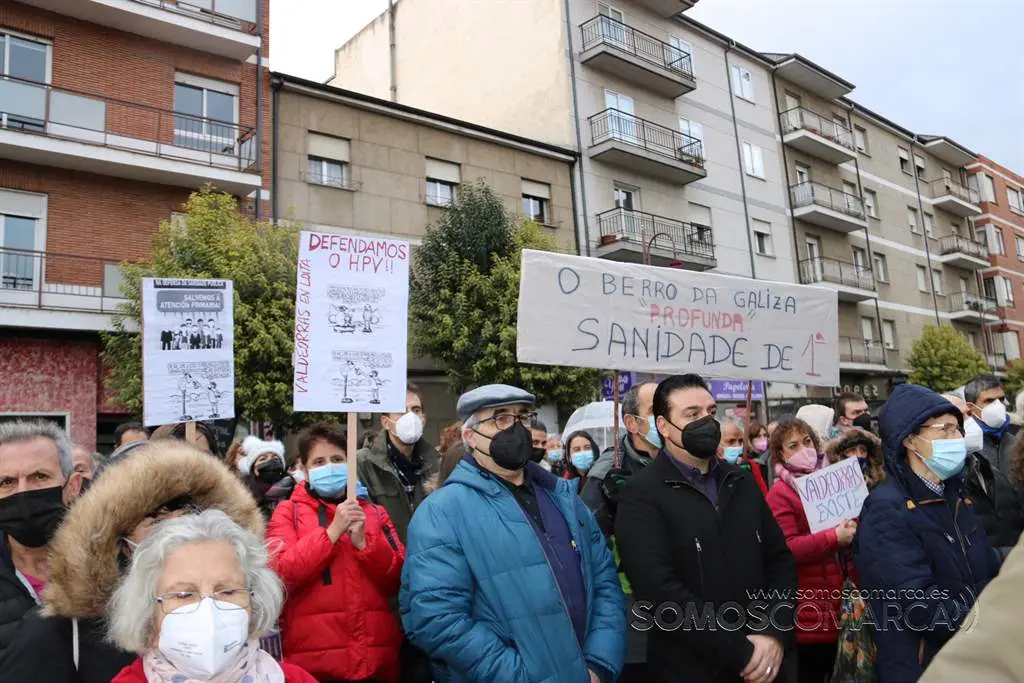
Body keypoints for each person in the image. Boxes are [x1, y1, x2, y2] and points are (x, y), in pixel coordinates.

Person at [401, 384, 625, 683]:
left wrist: (599, 663)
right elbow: (437, 618)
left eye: (522, 417)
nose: (516, 427)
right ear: (471, 436)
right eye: (500, 418)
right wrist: (521, 676)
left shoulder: (565, 498)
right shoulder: (442, 512)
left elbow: (605, 581)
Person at [3, 439, 265, 683]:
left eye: (191, 515)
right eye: (156, 520)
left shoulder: (232, 613)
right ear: (118, 538)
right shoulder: (58, 633)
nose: (180, 534)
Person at [615, 374, 796, 683]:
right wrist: (740, 650)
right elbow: (659, 589)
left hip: (766, 663)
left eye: (711, 412)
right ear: (663, 426)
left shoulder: (742, 481)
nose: (707, 422)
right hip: (691, 668)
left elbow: (779, 561)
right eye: (692, 414)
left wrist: (772, 632)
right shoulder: (640, 495)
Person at [855, 383, 996, 683]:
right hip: (925, 667)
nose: (956, 438)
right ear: (910, 439)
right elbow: (921, 606)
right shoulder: (886, 509)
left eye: (957, 429)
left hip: (972, 659)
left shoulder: (956, 496)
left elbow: (984, 565)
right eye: (944, 429)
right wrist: (993, 618)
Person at [106, 510, 316, 683]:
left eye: (227, 591)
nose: (208, 611)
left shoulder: (294, 679)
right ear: (149, 612)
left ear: (254, 602)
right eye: (183, 594)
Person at [268, 422, 405, 683]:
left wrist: (365, 545)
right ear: (305, 471)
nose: (328, 466)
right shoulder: (288, 513)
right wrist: (331, 534)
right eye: (318, 461)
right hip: (313, 666)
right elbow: (280, 575)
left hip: (375, 661)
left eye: (337, 459)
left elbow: (397, 579)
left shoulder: (375, 513)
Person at [765, 418, 853, 683]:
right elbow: (788, 548)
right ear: (780, 454)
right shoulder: (780, 494)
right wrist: (833, 537)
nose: (804, 449)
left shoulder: (832, 479)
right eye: (793, 445)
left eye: (807, 441)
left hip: (843, 603)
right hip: (808, 607)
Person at [0, 421, 82, 660]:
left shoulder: (114, 569)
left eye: (39, 476)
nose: (22, 492)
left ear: (72, 486)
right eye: (6, 482)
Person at [357, 384, 440, 545]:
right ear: (385, 422)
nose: (410, 417)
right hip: (387, 563)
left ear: (423, 418)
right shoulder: (363, 463)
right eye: (401, 411)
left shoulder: (437, 463)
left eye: (416, 410)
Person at [586, 382, 660, 536]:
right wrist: (613, 509)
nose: (664, 417)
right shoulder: (607, 470)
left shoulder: (684, 457)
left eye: (667, 409)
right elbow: (588, 531)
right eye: (655, 410)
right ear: (631, 423)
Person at [965, 373, 1019, 478]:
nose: (998, 405)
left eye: (1001, 399)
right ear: (970, 407)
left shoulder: (1017, 436)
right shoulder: (963, 442)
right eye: (989, 400)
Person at [236, 435, 292, 519]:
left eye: (275, 458)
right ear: (253, 469)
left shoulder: (293, 492)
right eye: (262, 459)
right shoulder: (244, 496)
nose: (270, 461)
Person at [824, 425, 885, 489]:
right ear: (840, 454)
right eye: (852, 450)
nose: (859, 455)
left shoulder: (878, 480)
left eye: (863, 450)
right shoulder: (830, 483)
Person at [720, 417, 768, 495]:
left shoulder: (751, 466)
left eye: (740, 441)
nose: (737, 446)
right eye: (731, 441)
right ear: (717, 443)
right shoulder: (711, 469)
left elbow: (763, 496)